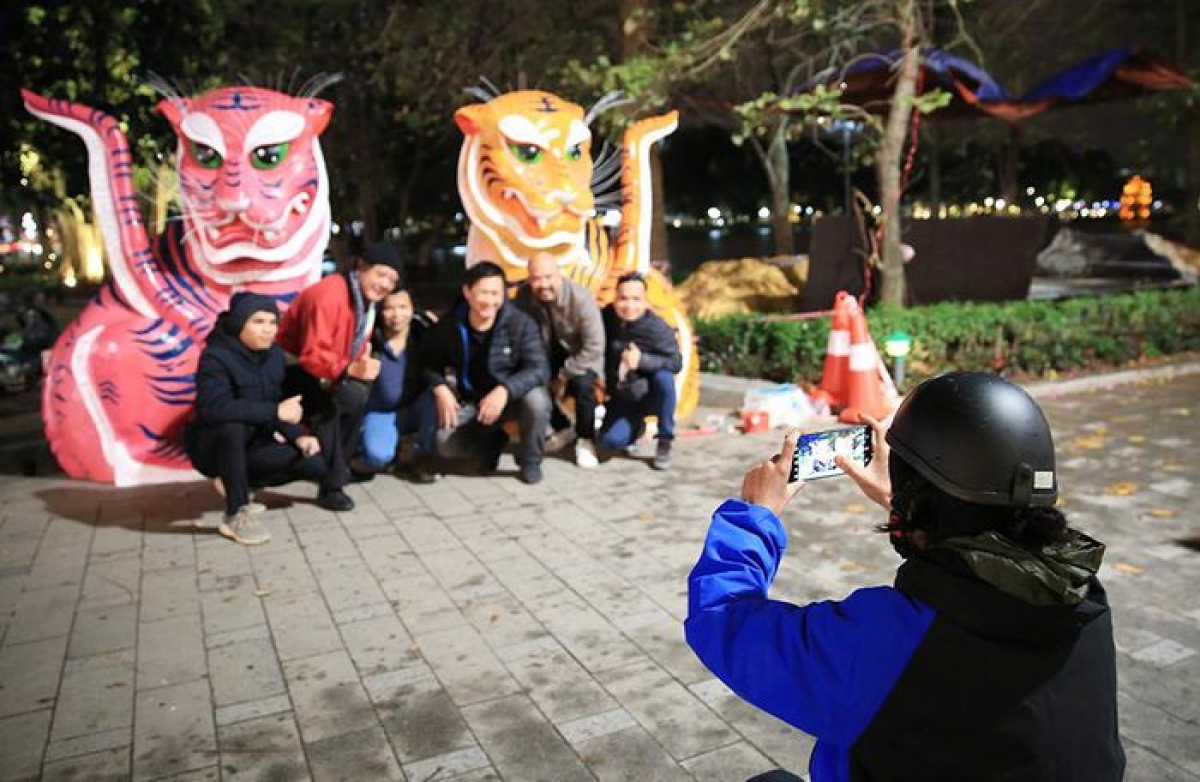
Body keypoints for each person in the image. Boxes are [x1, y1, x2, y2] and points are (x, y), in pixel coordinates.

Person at [685, 372, 1124, 782]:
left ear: (924, 506)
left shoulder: (889, 641)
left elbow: (721, 621)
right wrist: (908, 504)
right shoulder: (1083, 594)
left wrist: (754, 516)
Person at [186, 293, 326, 545]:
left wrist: (299, 436)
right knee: (233, 424)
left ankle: (235, 480)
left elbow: (274, 406)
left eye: (273, 322)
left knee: (313, 464)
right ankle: (236, 513)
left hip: (252, 444)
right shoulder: (215, 356)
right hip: (213, 446)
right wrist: (275, 412)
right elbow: (213, 408)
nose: (268, 330)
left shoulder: (273, 356)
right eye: (258, 321)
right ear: (240, 323)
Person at [277, 241, 402, 511]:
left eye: (392, 280)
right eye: (381, 274)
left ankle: (336, 466)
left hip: (324, 370)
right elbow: (311, 356)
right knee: (332, 406)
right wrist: (349, 370)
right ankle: (331, 484)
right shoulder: (329, 295)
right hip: (290, 371)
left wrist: (358, 369)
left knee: (356, 395)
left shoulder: (365, 301)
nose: (385, 284)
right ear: (361, 266)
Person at [419, 261, 551, 484]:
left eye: (496, 293)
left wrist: (506, 390)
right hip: (474, 402)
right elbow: (428, 364)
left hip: (511, 400)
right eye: (484, 293)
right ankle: (491, 442)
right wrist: (440, 387)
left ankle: (530, 460)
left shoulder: (520, 324)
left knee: (537, 401)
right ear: (467, 292)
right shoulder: (450, 324)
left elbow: (539, 368)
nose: (490, 301)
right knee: (444, 444)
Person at [514, 252, 605, 468]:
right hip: (547, 354)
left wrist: (563, 377)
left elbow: (594, 346)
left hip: (582, 356)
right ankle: (563, 427)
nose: (543, 284)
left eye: (548, 277)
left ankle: (585, 439)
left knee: (583, 386)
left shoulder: (581, 298)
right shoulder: (524, 297)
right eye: (536, 278)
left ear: (559, 275)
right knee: (530, 378)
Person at [598, 272, 682, 470]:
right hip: (624, 396)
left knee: (665, 378)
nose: (629, 305)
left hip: (652, 394)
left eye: (636, 299)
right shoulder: (606, 318)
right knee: (609, 442)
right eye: (623, 298)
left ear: (645, 301)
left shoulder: (657, 328)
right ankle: (635, 429)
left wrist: (642, 360)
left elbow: (675, 362)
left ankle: (665, 439)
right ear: (615, 298)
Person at [357, 287, 439, 483]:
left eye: (403, 307)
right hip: (380, 412)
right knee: (377, 457)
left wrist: (439, 328)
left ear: (412, 309)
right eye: (389, 308)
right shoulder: (369, 340)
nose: (397, 315)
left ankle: (422, 456)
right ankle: (395, 449)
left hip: (415, 407)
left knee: (438, 394)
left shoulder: (423, 334)